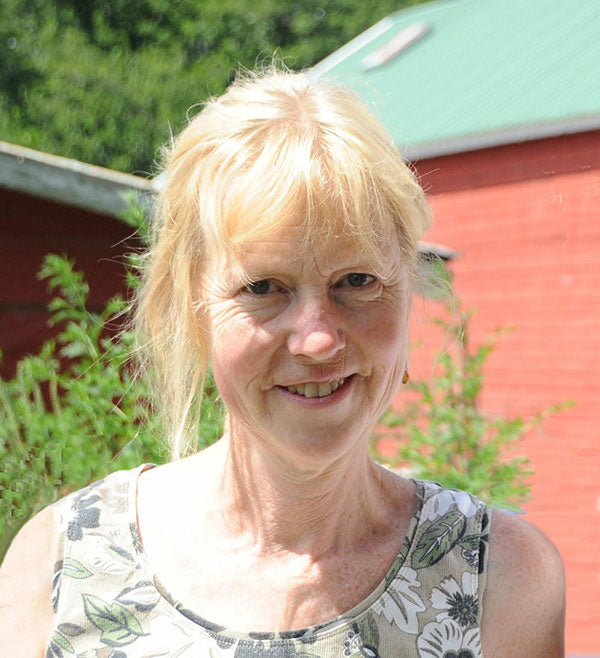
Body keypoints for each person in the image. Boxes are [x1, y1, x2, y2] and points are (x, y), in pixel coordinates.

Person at [0, 67, 564, 657]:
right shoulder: (64, 567)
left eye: (356, 280)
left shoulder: (498, 580)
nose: (317, 341)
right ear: (193, 310)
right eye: (265, 287)